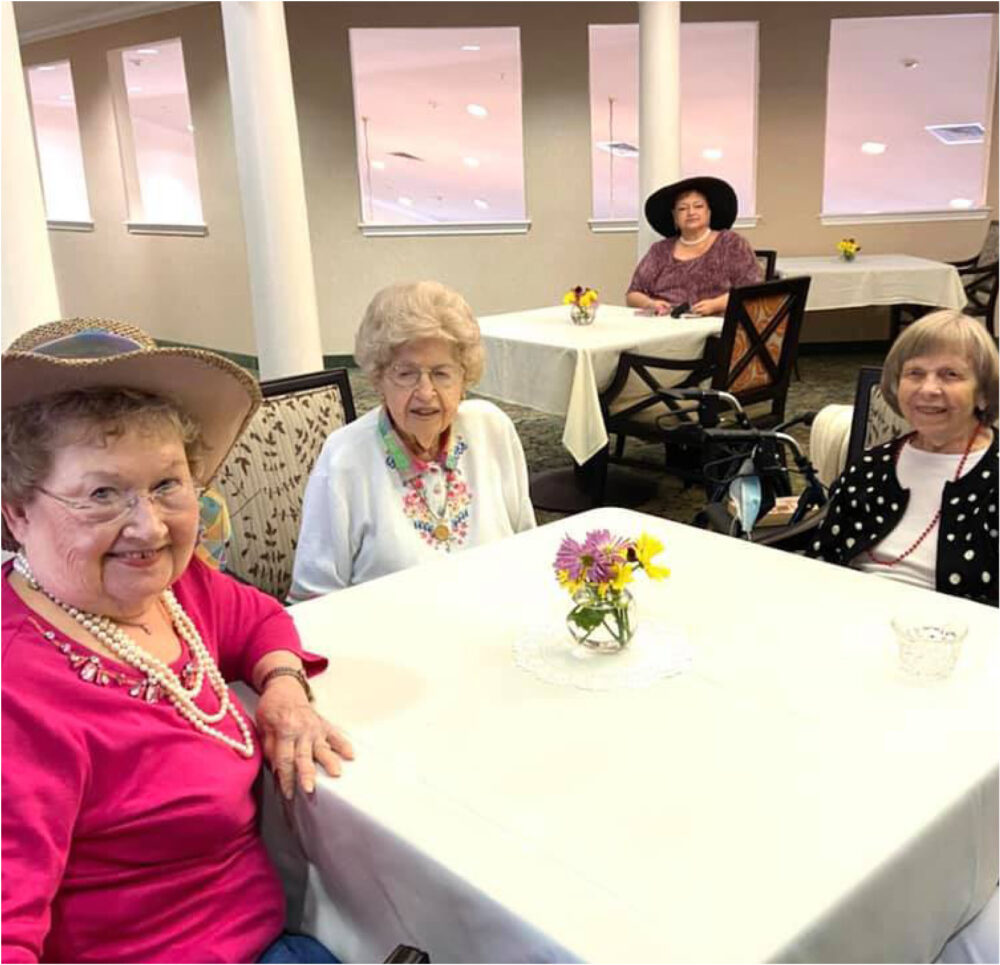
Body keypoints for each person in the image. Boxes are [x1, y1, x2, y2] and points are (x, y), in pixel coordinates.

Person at [1, 320, 354, 964]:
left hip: (268, 938)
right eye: (102, 494)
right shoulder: (15, 693)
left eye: (167, 483)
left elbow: (259, 619)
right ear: (17, 512)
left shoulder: (174, 589)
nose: (149, 525)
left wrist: (283, 688)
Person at [290, 281, 536, 598]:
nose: (425, 393)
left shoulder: (493, 430)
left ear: (464, 379)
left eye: (442, 373)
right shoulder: (344, 458)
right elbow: (314, 598)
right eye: (406, 373)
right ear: (379, 379)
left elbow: (527, 551)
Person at [808, 310, 998, 606]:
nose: (928, 389)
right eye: (915, 373)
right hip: (848, 613)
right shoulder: (873, 465)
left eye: (951, 374)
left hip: (958, 635)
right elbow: (822, 557)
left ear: (983, 394)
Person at [626, 176, 761, 317]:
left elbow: (751, 290)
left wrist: (716, 304)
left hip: (716, 327)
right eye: (683, 208)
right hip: (664, 324)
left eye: (698, 206)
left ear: (709, 212)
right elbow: (633, 294)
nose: (691, 212)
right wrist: (651, 304)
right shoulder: (659, 250)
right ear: (674, 217)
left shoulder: (731, 243)